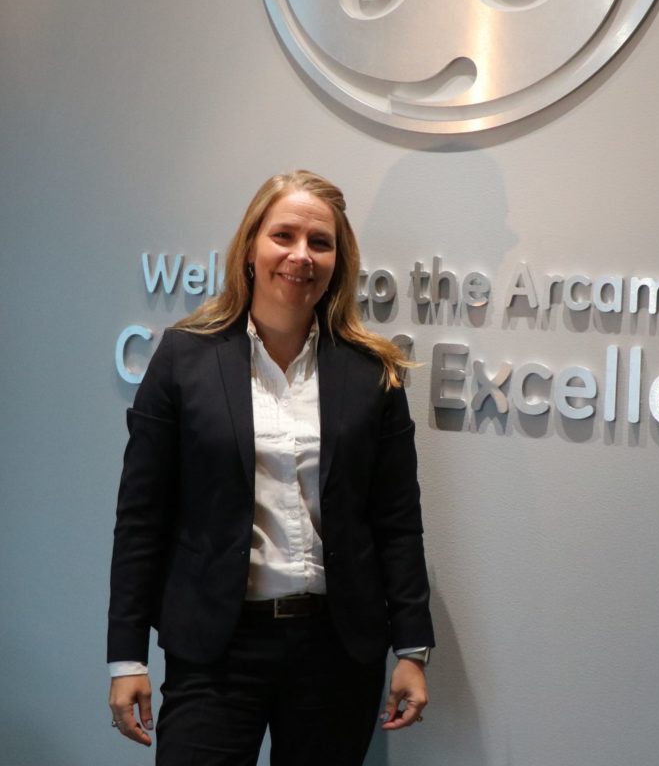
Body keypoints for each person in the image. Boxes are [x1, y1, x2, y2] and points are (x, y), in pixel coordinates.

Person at [108, 170, 434, 765]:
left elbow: (396, 522)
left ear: (338, 261)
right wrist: (126, 656)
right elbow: (141, 516)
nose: (300, 255)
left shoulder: (372, 372)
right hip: (216, 647)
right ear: (250, 248)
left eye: (320, 242)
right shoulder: (184, 358)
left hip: (336, 651)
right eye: (283, 235)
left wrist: (412, 647)